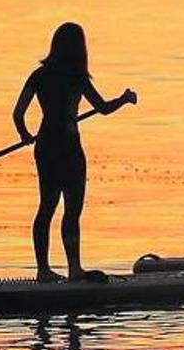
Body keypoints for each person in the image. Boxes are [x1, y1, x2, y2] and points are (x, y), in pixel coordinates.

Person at [13, 22, 137, 283]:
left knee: (46, 206)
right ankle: (74, 268)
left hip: (45, 144)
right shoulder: (77, 76)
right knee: (72, 209)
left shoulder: (39, 75)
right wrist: (124, 99)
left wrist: (24, 134)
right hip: (68, 146)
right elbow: (103, 108)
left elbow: (18, 113)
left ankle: (43, 270)